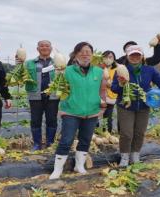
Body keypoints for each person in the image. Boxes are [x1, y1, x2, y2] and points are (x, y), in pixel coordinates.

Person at [49, 42, 106, 179]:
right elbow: (57, 88)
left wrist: (102, 107)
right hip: (71, 111)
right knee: (66, 140)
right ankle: (57, 170)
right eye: (82, 51)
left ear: (92, 55)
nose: (85, 54)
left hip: (92, 112)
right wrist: (58, 74)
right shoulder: (66, 70)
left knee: (85, 140)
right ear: (75, 54)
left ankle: (79, 166)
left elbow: (102, 91)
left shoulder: (99, 72)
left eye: (88, 51)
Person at [112, 45, 160, 167]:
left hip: (144, 105)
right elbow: (114, 88)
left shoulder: (149, 70)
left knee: (140, 132)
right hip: (126, 106)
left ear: (142, 56)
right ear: (127, 57)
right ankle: (124, 156)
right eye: (132, 55)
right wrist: (121, 84)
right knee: (127, 133)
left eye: (137, 55)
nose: (135, 57)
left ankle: (135, 155)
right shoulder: (121, 70)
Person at [24, 40, 60, 150]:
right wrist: (19, 63)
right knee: (35, 121)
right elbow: (21, 73)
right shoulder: (29, 63)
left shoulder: (57, 62)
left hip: (52, 96)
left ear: (51, 48)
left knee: (52, 120)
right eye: (42, 46)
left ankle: (50, 143)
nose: (44, 47)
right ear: (37, 48)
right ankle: (37, 144)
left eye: (47, 46)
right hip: (36, 96)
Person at [102, 50, 118, 132]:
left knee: (108, 116)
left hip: (110, 96)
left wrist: (110, 84)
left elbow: (118, 82)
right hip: (99, 95)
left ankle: (107, 132)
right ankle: (95, 132)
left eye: (110, 57)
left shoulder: (116, 69)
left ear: (114, 59)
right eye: (106, 57)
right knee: (95, 115)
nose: (108, 59)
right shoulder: (99, 68)